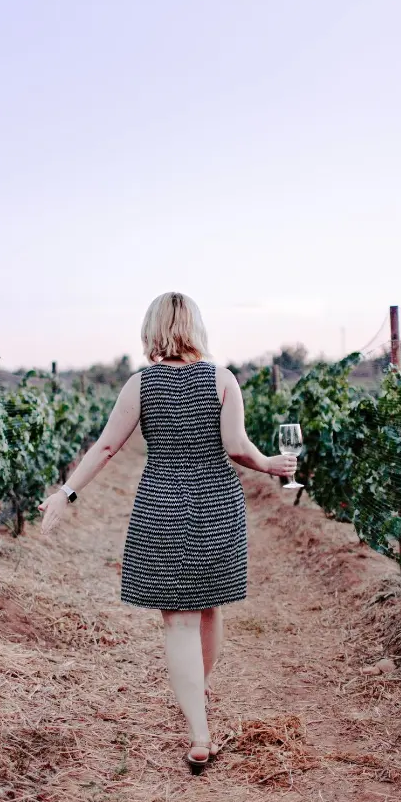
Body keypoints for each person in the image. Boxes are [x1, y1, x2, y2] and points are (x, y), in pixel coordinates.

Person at [39, 292, 297, 773]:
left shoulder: (139, 386)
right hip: (217, 504)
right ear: (196, 328)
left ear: (152, 328)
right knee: (209, 606)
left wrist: (65, 493)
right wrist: (269, 465)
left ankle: (199, 730)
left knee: (178, 620)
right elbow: (237, 447)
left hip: (161, 505)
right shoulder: (222, 379)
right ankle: (195, 699)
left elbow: (107, 447)